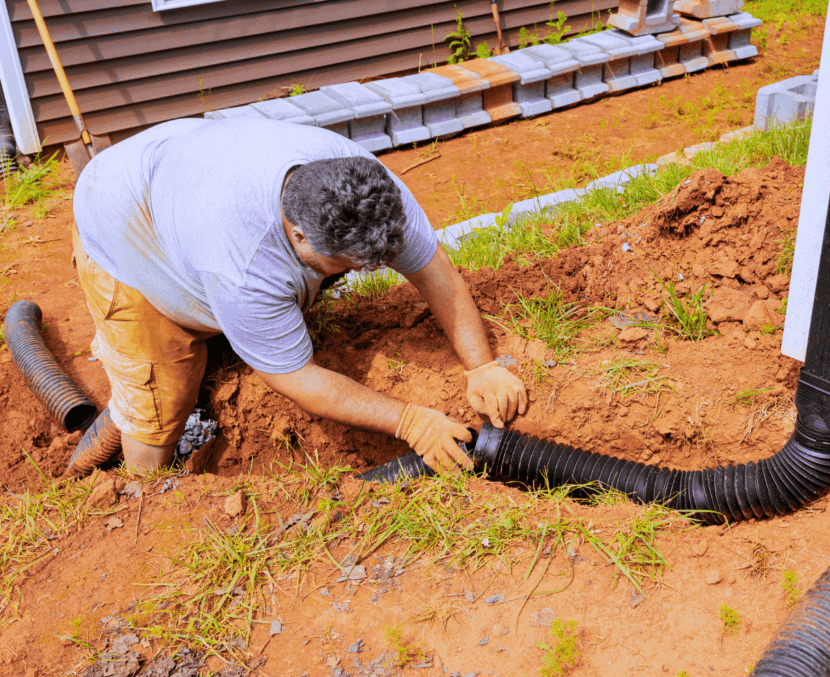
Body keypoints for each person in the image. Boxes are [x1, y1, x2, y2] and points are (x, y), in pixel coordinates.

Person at [70, 117, 527, 475]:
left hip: (184, 167)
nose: (357, 273)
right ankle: (142, 495)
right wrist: (412, 423)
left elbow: (433, 270)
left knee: (251, 321)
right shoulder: (243, 265)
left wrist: (481, 365)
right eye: (346, 265)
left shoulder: (364, 186)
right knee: (162, 395)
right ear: (299, 235)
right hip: (122, 220)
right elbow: (297, 378)